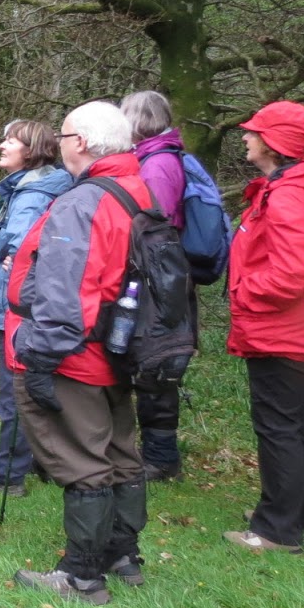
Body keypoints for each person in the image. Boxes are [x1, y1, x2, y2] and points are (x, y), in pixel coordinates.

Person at [6, 101, 150, 605]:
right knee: (120, 451)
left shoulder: (83, 201)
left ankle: (81, 576)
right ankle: (122, 553)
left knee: (84, 458)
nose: (60, 144)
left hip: (76, 354)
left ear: (81, 143)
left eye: (64, 136)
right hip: (120, 347)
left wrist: (39, 358)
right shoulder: (138, 189)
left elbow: (65, 292)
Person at [223, 101, 304, 554]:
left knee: (278, 423)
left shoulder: (291, 195)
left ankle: (277, 529)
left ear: (273, 144)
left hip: (286, 328)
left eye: (253, 132)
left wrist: (243, 291)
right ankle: (300, 509)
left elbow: (292, 273)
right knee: (295, 418)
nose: (245, 137)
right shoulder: (297, 185)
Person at [0, 120, 70, 496]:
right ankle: (45, 462)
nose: (1, 144)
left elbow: (26, 247)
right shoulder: (30, 188)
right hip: (22, 303)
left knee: (16, 389)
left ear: (32, 150)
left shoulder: (33, 194)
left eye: (11, 140)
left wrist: (18, 262)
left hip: (17, 307)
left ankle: (8, 475)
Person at [121, 90, 189, 481]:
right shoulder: (156, 158)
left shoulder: (159, 164)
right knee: (149, 362)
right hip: (156, 275)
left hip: (158, 279)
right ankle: (155, 452)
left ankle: (162, 458)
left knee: (156, 362)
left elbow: (153, 223)